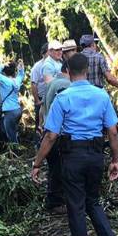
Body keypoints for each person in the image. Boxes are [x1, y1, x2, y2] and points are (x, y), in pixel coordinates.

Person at [31, 52, 118, 236]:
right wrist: (115, 160)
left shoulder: (64, 97)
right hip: (96, 155)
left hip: (72, 156)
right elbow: (112, 131)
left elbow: (51, 136)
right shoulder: (102, 96)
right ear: (88, 71)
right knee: (93, 200)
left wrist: (37, 163)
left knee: (76, 207)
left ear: (68, 72)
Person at [39, 40, 77, 213]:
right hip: (57, 134)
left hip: (50, 130)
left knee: (56, 168)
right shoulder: (64, 86)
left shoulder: (53, 83)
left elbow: (43, 108)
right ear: (68, 71)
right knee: (58, 169)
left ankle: (55, 200)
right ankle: (55, 202)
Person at [0, 59, 25, 144]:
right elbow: (21, 75)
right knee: (11, 130)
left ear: (4, 72)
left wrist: (3, 65)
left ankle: (16, 153)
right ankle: (17, 144)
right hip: (17, 110)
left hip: (10, 112)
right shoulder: (16, 81)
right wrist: (21, 68)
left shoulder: (5, 81)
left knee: (11, 136)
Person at [30, 41, 63, 129]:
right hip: (42, 98)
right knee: (40, 123)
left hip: (53, 97)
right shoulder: (38, 66)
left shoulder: (59, 62)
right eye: (56, 50)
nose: (59, 52)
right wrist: (37, 100)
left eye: (60, 49)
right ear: (47, 52)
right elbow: (33, 84)